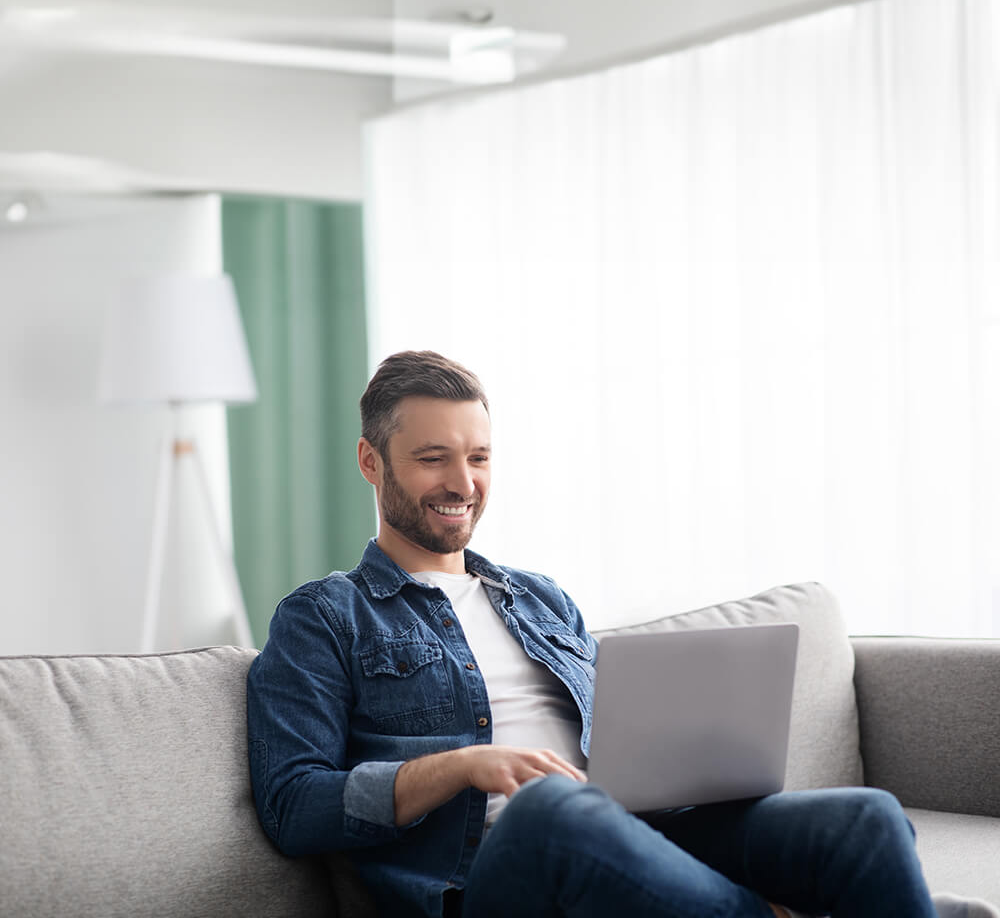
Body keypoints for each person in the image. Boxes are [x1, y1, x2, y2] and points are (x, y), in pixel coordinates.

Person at [247, 350, 998, 918]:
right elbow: (293, 805)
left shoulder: (538, 598)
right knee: (553, 808)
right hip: (487, 876)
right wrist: (464, 766)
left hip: (633, 838)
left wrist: (695, 756)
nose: (463, 482)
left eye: (478, 457)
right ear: (371, 462)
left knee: (864, 818)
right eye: (432, 458)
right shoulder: (324, 616)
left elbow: (628, 749)